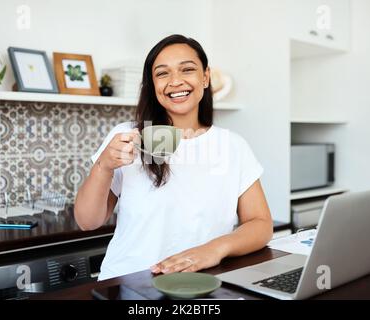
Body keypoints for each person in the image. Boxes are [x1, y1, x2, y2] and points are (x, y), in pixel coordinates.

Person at [74, 34, 273, 281]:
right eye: (162, 73)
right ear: (152, 84)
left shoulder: (232, 145)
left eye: (187, 69)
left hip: (202, 283)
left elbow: (260, 223)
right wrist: (103, 166)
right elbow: (87, 222)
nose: (175, 81)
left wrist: (213, 250)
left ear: (205, 77)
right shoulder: (127, 136)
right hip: (129, 283)